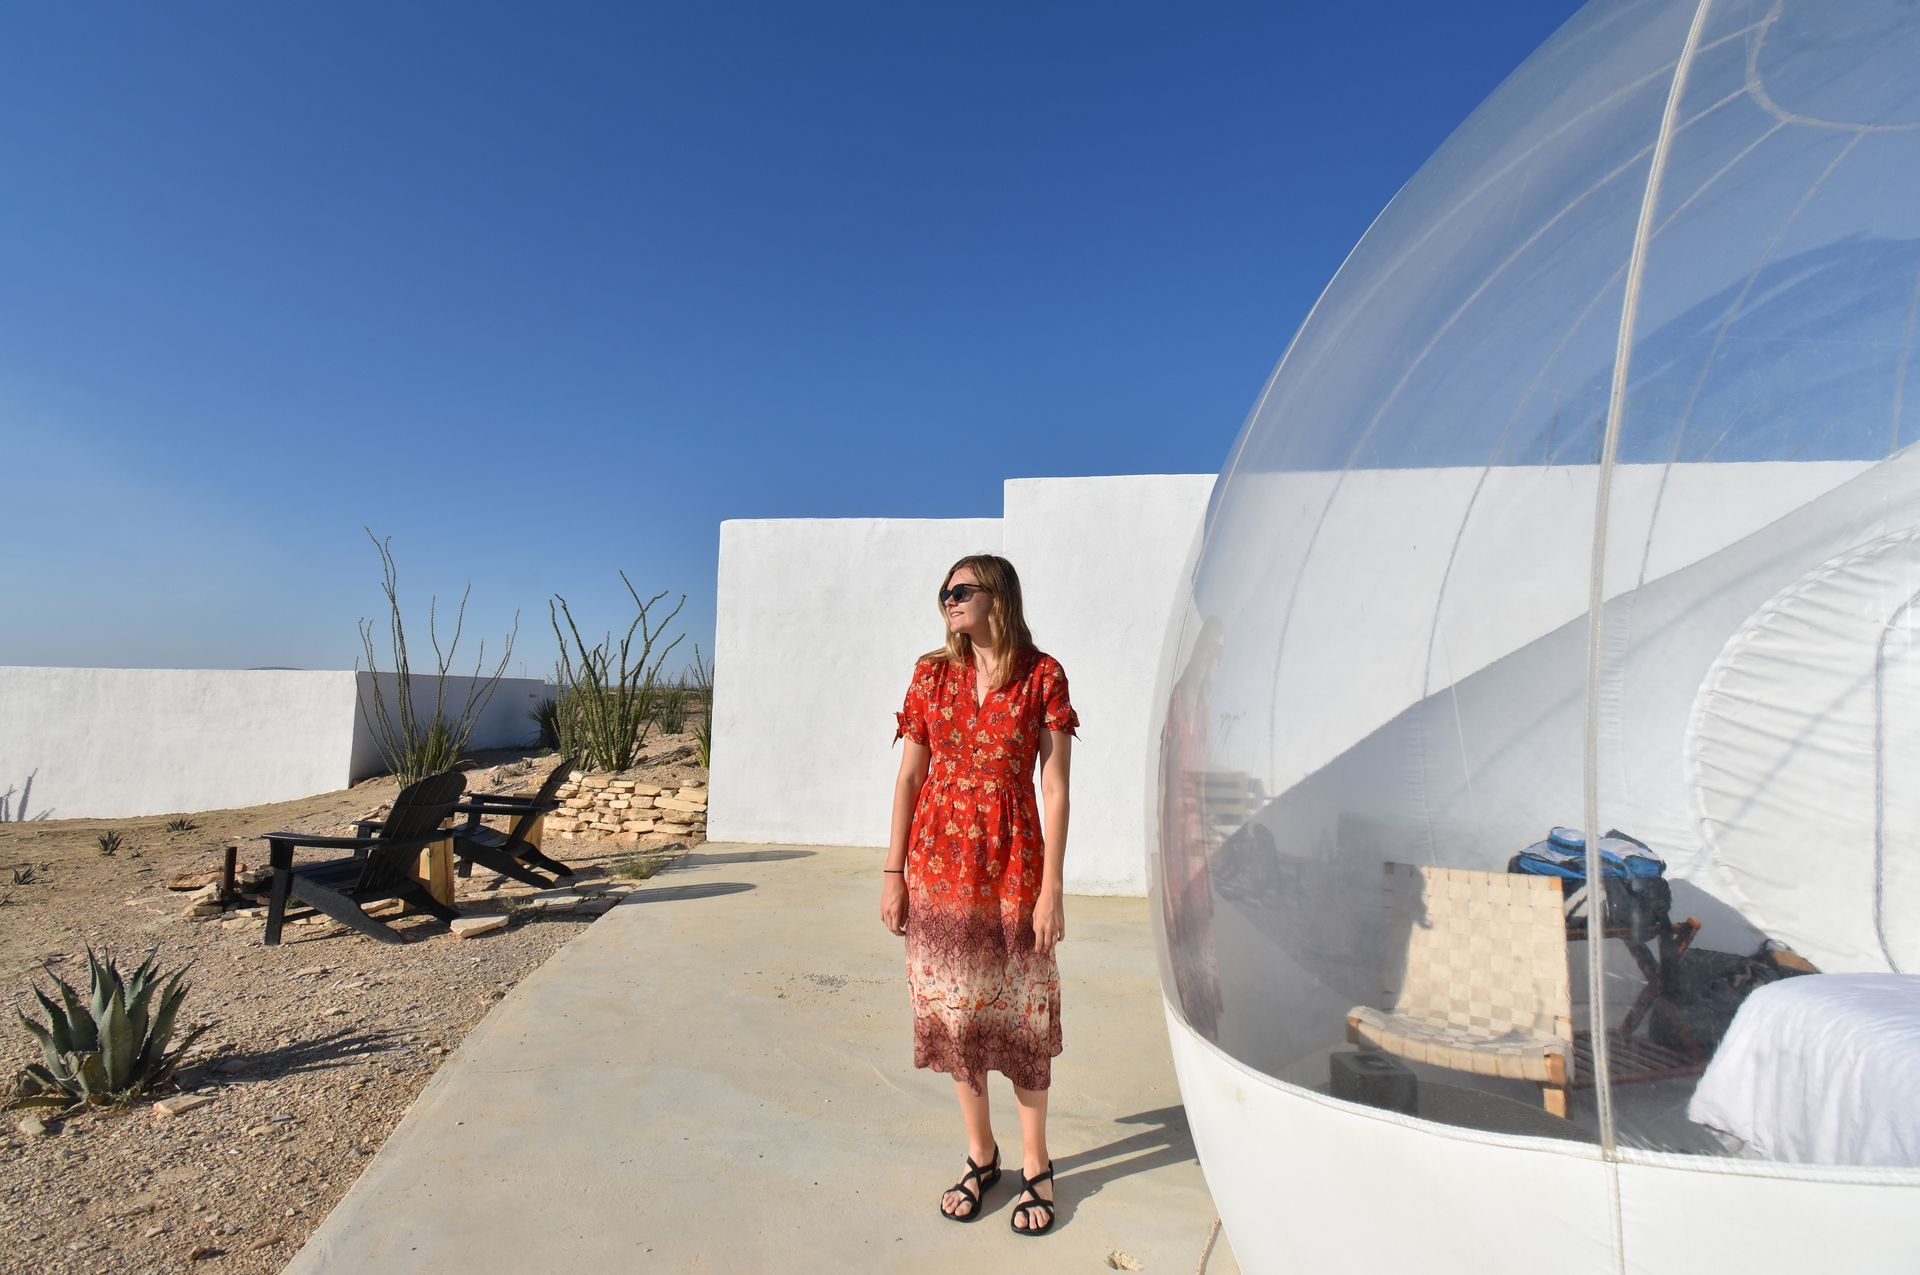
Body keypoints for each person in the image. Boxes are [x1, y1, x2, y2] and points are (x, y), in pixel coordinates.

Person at [881, 553, 1078, 1235]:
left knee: (1020, 1019)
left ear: (998, 596)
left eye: (961, 590)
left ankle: (1035, 1164)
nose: (949, 601)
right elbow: (909, 779)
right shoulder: (930, 675)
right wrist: (893, 872)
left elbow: (1054, 787)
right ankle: (981, 1154)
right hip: (938, 871)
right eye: (943, 592)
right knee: (956, 1019)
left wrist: (1052, 887)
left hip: (1014, 872)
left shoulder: (1042, 675)